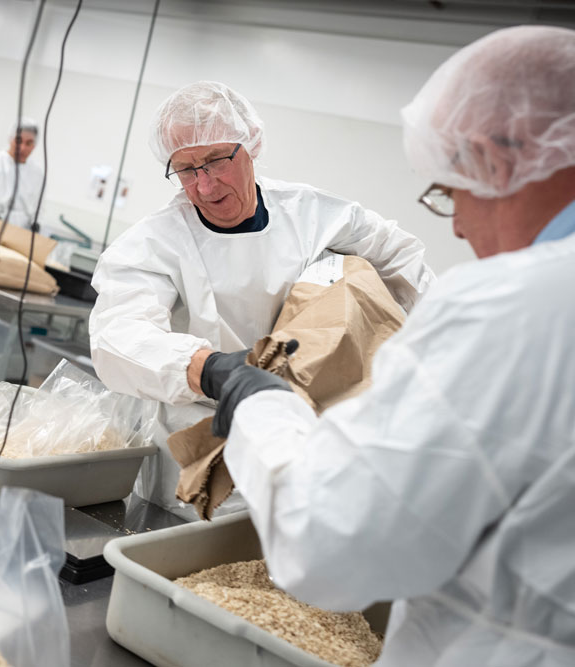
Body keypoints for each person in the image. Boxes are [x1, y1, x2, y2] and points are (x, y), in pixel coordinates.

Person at [207, 26, 575, 666]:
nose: (457, 223)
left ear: (495, 157)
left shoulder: (514, 307)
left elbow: (327, 542)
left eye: (451, 191)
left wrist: (262, 405)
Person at [88, 81, 435, 516]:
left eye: (216, 161)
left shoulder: (313, 215)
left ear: (250, 145)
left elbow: (402, 260)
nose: (206, 184)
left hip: (305, 433)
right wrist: (209, 369)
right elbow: (117, 335)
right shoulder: (155, 243)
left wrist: (437, 342)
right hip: (198, 452)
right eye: (186, 170)